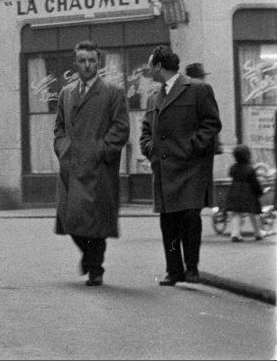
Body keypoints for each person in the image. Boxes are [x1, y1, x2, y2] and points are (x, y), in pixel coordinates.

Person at [140, 44, 222, 286]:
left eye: (149, 65)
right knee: (168, 221)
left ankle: (192, 269)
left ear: (158, 66)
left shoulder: (198, 89)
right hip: (164, 169)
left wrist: (194, 147)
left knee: (190, 217)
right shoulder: (154, 97)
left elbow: (211, 123)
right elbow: (145, 130)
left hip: (190, 168)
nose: (148, 69)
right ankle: (174, 271)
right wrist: (150, 149)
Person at [53, 40, 130, 287]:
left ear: (98, 62)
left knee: (96, 222)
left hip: (98, 169)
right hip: (72, 166)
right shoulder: (66, 93)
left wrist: (101, 150)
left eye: (92, 61)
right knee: (71, 219)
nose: (87, 65)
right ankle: (89, 257)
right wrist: (63, 148)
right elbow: (59, 128)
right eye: (82, 61)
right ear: (75, 64)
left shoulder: (112, 93)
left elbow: (121, 128)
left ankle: (96, 268)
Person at [227, 145, 265, 242]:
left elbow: (230, 174)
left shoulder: (233, 168)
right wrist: (259, 192)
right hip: (248, 195)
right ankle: (258, 233)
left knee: (236, 214)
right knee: (253, 214)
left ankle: (235, 234)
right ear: (248, 155)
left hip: (235, 193)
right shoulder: (250, 169)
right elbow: (255, 183)